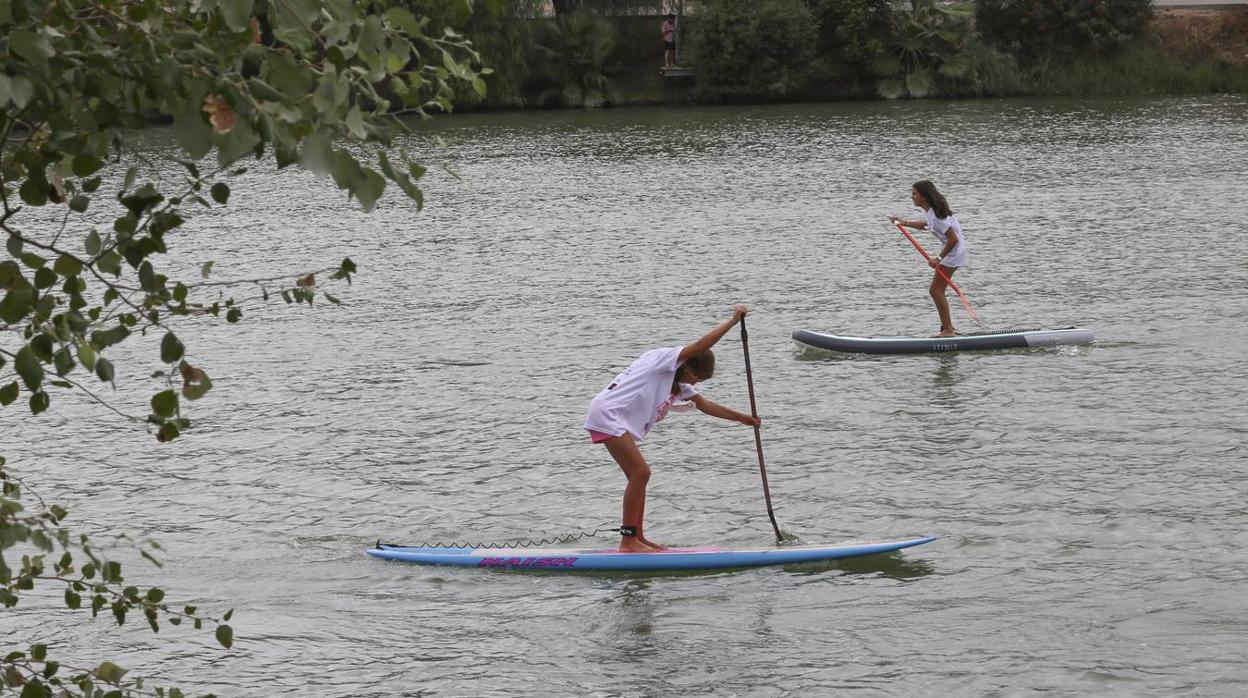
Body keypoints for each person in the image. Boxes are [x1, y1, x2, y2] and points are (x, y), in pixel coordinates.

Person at [585, 305, 760, 553]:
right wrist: (732, 322)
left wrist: (743, 418)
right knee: (640, 473)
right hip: (608, 413)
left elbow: (704, 405)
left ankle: (638, 537)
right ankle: (628, 541)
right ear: (686, 364)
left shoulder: (674, 380)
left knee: (639, 476)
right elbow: (700, 345)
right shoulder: (664, 360)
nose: (694, 382)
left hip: (615, 417)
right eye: (695, 377)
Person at [889, 180, 969, 338]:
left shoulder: (938, 217)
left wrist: (938, 258)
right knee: (936, 290)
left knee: (936, 290)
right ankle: (947, 328)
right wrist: (904, 223)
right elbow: (926, 225)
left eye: (914, 194)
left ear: (924, 197)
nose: (911, 197)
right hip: (953, 252)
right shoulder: (931, 212)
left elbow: (954, 240)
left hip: (954, 253)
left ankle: (948, 331)